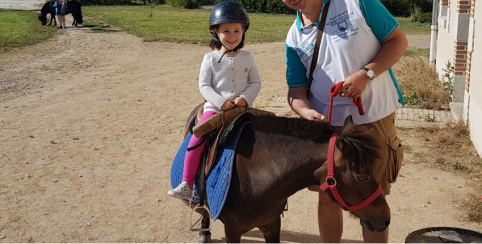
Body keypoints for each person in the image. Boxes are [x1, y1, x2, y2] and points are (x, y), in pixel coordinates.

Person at [281, 0, 408, 242]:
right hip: (328, 128)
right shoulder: (294, 36)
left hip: (372, 119)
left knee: (372, 195)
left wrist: (366, 75)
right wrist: (306, 112)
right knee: (328, 196)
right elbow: (296, 92)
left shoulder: (358, 4)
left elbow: (398, 41)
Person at [167, 1, 261, 200]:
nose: (232, 36)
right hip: (216, 110)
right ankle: (187, 182)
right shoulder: (209, 59)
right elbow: (204, 86)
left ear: (244, 31)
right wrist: (221, 102)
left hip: (243, 109)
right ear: (215, 32)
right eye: (226, 31)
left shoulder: (248, 57)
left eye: (237, 30)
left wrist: (244, 98)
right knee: (197, 137)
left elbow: (255, 82)